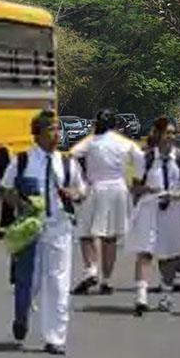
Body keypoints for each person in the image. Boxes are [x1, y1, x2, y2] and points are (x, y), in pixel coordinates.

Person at [0, 109, 85, 355]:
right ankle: (22, 315)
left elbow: (82, 190)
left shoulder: (67, 162)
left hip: (59, 227)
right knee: (29, 280)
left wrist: (74, 194)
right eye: (51, 129)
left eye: (59, 129)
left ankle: (55, 337)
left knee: (58, 282)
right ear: (36, 134)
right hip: (30, 228)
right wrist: (21, 202)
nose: (56, 134)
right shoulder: (23, 161)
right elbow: (5, 189)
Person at [125, 117, 180, 316]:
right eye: (167, 133)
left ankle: (166, 291)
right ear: (157, 134)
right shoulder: (145, 158)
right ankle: (141, 296)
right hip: (150, 207)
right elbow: (135, 186)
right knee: (145, 251)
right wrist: (146, 189)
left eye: (173, 133)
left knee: (171, 255)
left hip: (173, 209)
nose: (170, 137)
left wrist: (175, 194)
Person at [71, 109, 144, 295]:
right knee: (110, 237)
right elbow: (139, 157)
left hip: (97, 187)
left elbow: (73, 154)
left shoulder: (92, 141)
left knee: (86, 232)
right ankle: (107, 280)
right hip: (119, 187)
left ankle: (91, 269)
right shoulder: (123, 142)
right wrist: (137, 179)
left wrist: (82, 177)